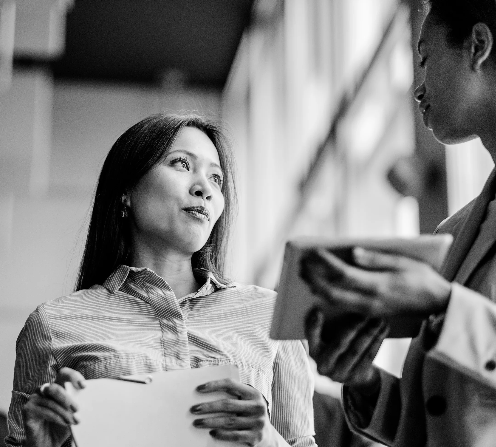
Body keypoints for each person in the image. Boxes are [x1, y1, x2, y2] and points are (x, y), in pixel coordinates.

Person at [6, 114, 316, 447]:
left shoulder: (271, 315)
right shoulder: (53, 326)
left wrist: (268, 440)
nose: (205, 188)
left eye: (217, 178)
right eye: (182, 164)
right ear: (126, 191)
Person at [301, 0, 496, 446]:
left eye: (424, 60)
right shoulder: (452, 235)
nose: (417, 88)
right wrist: (364, 380)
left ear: (478, 47)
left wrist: (444, 305)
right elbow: (438, 418)